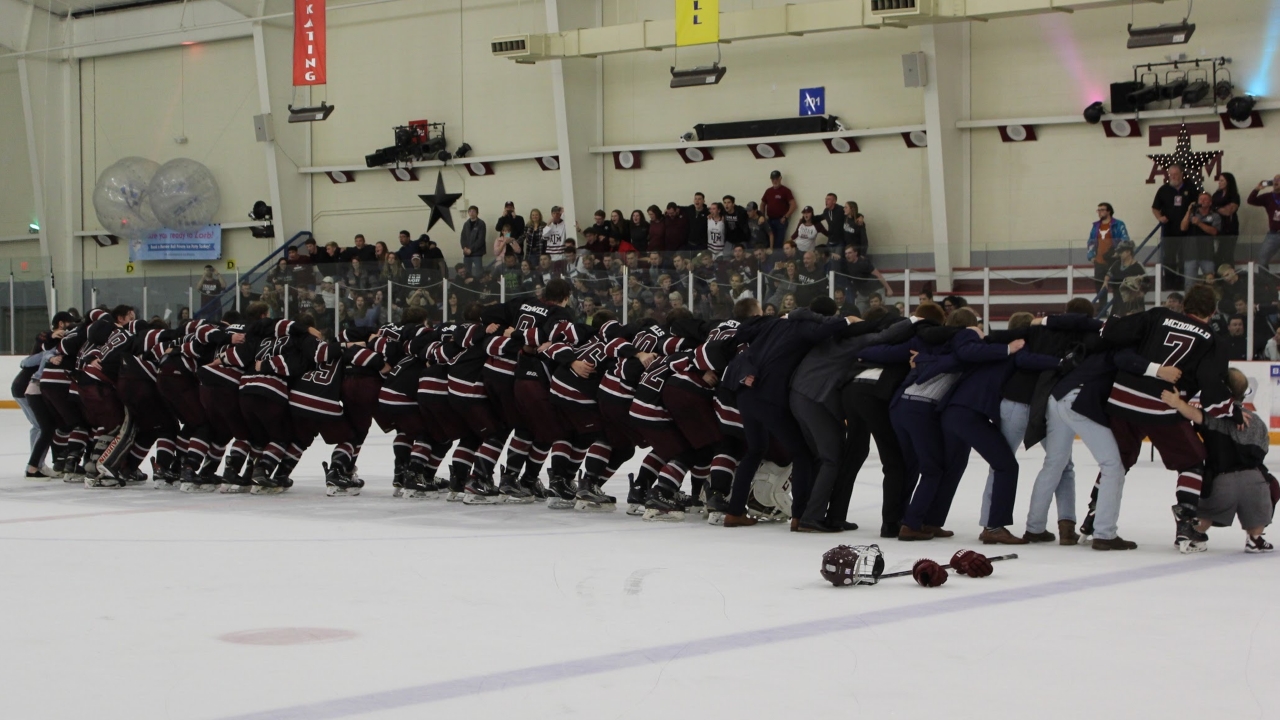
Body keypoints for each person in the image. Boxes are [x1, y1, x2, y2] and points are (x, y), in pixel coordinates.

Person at [1101, 282, 1236, 552]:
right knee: (1193, 462)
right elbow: (1211, 381)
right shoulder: (1212, 338)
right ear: (1213, 311)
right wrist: (1229, 410)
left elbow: (1112, 332)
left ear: (1184, 304)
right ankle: (1186, 524)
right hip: (1161, 406)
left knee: (1117, 462)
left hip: (1122, 398)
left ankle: (1094, 516)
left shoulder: (1158, 315)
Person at [1160, 371, 1273, 553]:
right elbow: (1262, 452)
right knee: (1266, 493)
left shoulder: (1215, 417)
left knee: (1205, 515)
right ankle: (1255, 538)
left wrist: (1177, 402)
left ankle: (1194, 536)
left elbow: (1195, 415)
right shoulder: (1257, 422)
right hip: (1254, 482)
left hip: (1222, 482)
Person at [1152, 163, 1199, 290]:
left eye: (1175, 174)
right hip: (1169, 231)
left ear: (1181, 175)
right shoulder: (1163, 190)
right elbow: (1155, 208)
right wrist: (1160, 217)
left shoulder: (1191, 188)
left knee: (1185, 258)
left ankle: (1183, 284)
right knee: (1169, 259)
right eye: (1171, 175)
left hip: (1187, 231)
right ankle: (1170, 285)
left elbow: (1197, 206)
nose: (1173, 177)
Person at [1088, 202, 1129, 295]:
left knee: (1117, 287)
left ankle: (1117, 308)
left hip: (1114, 260)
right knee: (1100, 288)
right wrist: (1091, 256)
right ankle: (1102, 308)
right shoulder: (1095, 226)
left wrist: (1118, 252)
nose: (1099, 212)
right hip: (1099, 262)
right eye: (1098, 210)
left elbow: (1125, 239)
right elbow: (1090, 241)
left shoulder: (1118, 224)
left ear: (1109, 211)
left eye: (1102, 210)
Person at [1181, 192, 1221, 282]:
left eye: (1205, 199)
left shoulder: (1215, 216)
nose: (1202, 201)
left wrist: (1199, 223)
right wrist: (1188, 212)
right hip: (1191, 254)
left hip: (1207, 254)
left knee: (1210, 282)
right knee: (1189, 282)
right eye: (1200, 199)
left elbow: (1214, 231)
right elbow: (1183, 227)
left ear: (1210, 203)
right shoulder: (1192, 215)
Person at [1247, 173, 1280, 268]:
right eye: (1274, 179)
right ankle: (1265, 282)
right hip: (1273, 234)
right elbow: (1251, 200)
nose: (1276, 181)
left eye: (1279, 179)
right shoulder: (1268, 197)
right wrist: (1257, 189)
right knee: (1262, 260)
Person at [1212, 173, 1242, 269]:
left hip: (1230, 227)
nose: (1219, 183)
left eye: (1222, 180)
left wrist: (1216, 208)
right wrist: (1220, 208)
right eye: (1219, 180)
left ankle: (1230, 277)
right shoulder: (1217, 194)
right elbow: (1211, 207)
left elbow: (1229, 211)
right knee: (1218, 254)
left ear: (1228, 182)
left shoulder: (1234, 195)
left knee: (1228, 253)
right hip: (1218, 226)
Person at [761, 170, 797, 249]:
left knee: (778, 243)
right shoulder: (768, 191)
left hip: (780, 221)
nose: (774, 181)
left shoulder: (786, 191)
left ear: (780, 178)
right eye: (773, 179)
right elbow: (763, 203)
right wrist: (763, 216)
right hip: (769, 220)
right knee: (768, 242)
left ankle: (777, 260)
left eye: (776, 179)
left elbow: (793, 205)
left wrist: (785, 217)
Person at [460, 206, 487, 279]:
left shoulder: (481, 223)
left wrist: (471, 249)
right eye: (470, 211)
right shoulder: (466, 224)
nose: (471, 213)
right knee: (467, 272)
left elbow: (480, 239)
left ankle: (478, 287)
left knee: (479, 272)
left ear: (477, 213)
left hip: (477, 253)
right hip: (466, 253)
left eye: (473, 211)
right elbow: (463, 237)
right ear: (468, 213)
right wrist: (464, 247)